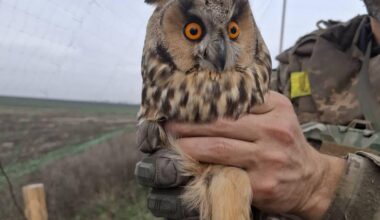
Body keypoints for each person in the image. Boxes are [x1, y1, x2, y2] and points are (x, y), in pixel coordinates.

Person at [135, 0, 380, 219]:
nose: (220, 50)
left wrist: (319, 185)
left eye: (232, 30)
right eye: (193, 31)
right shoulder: (306, 58)